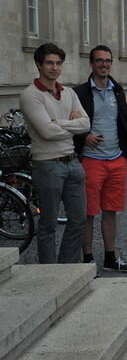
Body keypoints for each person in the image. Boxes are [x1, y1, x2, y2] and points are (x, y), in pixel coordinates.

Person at [73, 45, 127, 272]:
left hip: (116, 159)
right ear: (92, 64)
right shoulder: (81, 92)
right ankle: (87, 258)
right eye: (99, 61)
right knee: (88, 212)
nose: (104, 64)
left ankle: (110, 256)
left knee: (111, 210)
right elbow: (72, 122)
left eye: (107, 61)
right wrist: (85, 136)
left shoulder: (118, 90)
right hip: (91, 160)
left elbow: (124, 121)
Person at [19, 43, 89, 264]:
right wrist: (71, 124)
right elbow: (47, 132)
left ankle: (67, 269)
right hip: (47, 165)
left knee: (78, 220)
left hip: (72, 162)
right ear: (39, 64)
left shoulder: (68, 92)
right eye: (49, 62)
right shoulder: (31, 95)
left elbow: (86, 124)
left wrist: (59, 122)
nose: (54, 67)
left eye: (58, 63)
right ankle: (49, 272)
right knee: (48, 225)